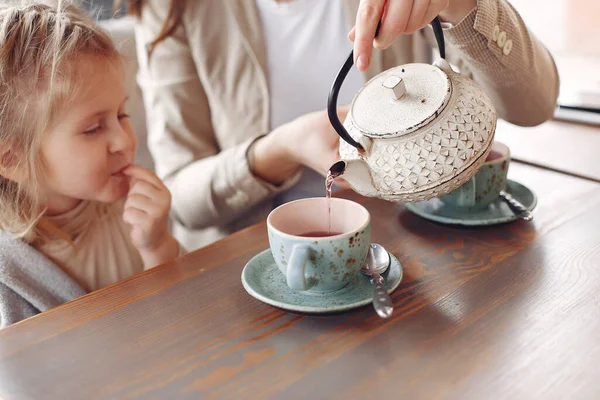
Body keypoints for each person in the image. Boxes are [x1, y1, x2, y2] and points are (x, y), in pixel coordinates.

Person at [131, 0, 559, 250]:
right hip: (261, 265)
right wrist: (279, 149)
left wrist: (461, 6)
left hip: (414, 245)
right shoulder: (173, 9)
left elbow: (534, 104)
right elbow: (180, 197)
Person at [0, 1, 182, 328]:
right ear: (12, 160)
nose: (125, 141)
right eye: (93, 128)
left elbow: (178, 315)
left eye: (122, 115)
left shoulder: (131, 208)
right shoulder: (10, 272)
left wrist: (157, 247)